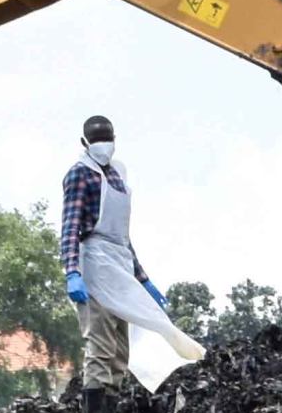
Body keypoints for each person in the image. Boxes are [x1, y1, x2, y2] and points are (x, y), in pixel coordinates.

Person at [60, 115, 196, 394]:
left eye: (106, 138)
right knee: (100, 345)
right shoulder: (79, 174)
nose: (103, 145)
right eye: (96, 139)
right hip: (95, 266)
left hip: (119, 264)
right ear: (84, 142)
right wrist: (72, 272)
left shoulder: (116, 176)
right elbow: (70, 227)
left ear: (115, 140)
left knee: (121, 352)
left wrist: (143, 278)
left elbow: (123, 236)